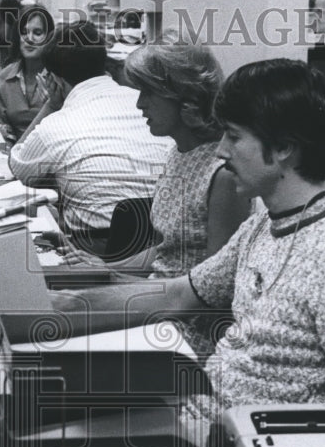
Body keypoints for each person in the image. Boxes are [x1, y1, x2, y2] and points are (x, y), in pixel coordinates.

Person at [51, 59, 325, 426]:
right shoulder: (264, 224)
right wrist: (61, 306)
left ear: (282, 148)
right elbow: (176, 295)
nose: (220, 151)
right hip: (200, 419)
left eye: (233, 136)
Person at [62, 31, 253, 278]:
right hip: (157, 294)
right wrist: (104, 268)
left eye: (148, 92)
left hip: (181, 310)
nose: (139, 103)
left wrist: (114, 282)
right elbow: (164, 249)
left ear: (184, 96)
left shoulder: (223, 173)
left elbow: (214, 284)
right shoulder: (178, 152)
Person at [8, 20, 172, 256]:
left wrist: (52, 105)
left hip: (96, 249)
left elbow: (18, 170)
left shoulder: (56, 125)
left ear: (54, 80)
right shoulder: (145, 104)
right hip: (163, 242)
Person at [0, 4, 54, 142]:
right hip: (14, 152)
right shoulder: (3, 80)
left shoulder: (60, 79)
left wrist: (55, 105)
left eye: (37, 33)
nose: (29, 39)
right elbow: (1, 127)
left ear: (49, 38)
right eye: (24, 32)